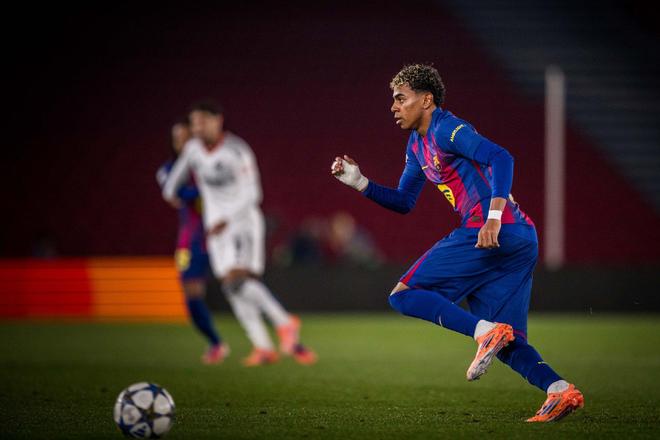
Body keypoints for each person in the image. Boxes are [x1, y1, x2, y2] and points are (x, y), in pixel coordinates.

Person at [331, 64, 583, 422]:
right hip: (518, 238)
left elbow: (501, 157)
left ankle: (484, 332)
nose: (394, 107)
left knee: (404, 295)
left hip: (491, 229)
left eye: (401, 98)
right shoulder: (417, 145)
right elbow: (404, 201)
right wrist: (360, 183)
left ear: (426, 100)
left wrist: (493, 218)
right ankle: (559, 390)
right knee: (510, 341)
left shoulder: (446, 128)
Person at [163, 101, 317, 366]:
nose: (197, 128)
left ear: (218, 121)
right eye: (195, 123)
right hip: (216, 229)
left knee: (237, 280)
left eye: (202, 122)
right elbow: (170, 186)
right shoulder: (193, 150)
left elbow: (254, 194)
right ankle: (263, 346)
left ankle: (285, 323)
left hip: (242, 223)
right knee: (232, 288)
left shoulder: (237, 150)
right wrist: (174, 194)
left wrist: (228, 218)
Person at [157, 119, 228, 365]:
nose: (182, 143)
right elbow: (175, 193)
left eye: (187, 138)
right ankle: (216, 343)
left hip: (220, 235)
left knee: (240, 284)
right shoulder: (168, 170)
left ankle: (271, 338)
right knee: (190, 294)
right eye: (178, 139)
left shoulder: (211, 165)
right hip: (190, 240)